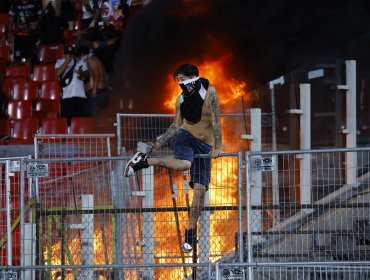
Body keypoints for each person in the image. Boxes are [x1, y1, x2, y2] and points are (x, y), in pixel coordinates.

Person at [124, 63, 223, 253]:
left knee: (200, 191)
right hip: (185, 138)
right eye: (178, 81)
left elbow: (217, 119)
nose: (180, 83)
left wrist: (218, 145)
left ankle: (190, 232)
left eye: (182, 79)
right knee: (185, 163)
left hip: (206, 146)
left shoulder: (210, 93)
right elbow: (175, 127)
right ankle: (144, 161)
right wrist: (157, 144)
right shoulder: (181, 100)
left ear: (193, 76)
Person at [55, 45, 90, 124]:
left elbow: (87, 74)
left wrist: (81, 73)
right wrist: (66, 61)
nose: (70, 56)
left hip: (80, 97)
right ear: (64, 55)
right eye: (68, 54)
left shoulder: (80, 63)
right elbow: (57, 74)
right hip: (67, 97)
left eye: (71, 54)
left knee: (81, 123)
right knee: (68, 123)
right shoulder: (59, 62)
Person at [78, 45, 110, 115]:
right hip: (101, 91)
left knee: (95, 116)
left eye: (80, 57)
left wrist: (94, 90)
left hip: (99, 92)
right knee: (98, 115)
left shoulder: (91, 59)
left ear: (82, 55)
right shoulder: (94, 59)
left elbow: (97, 75)